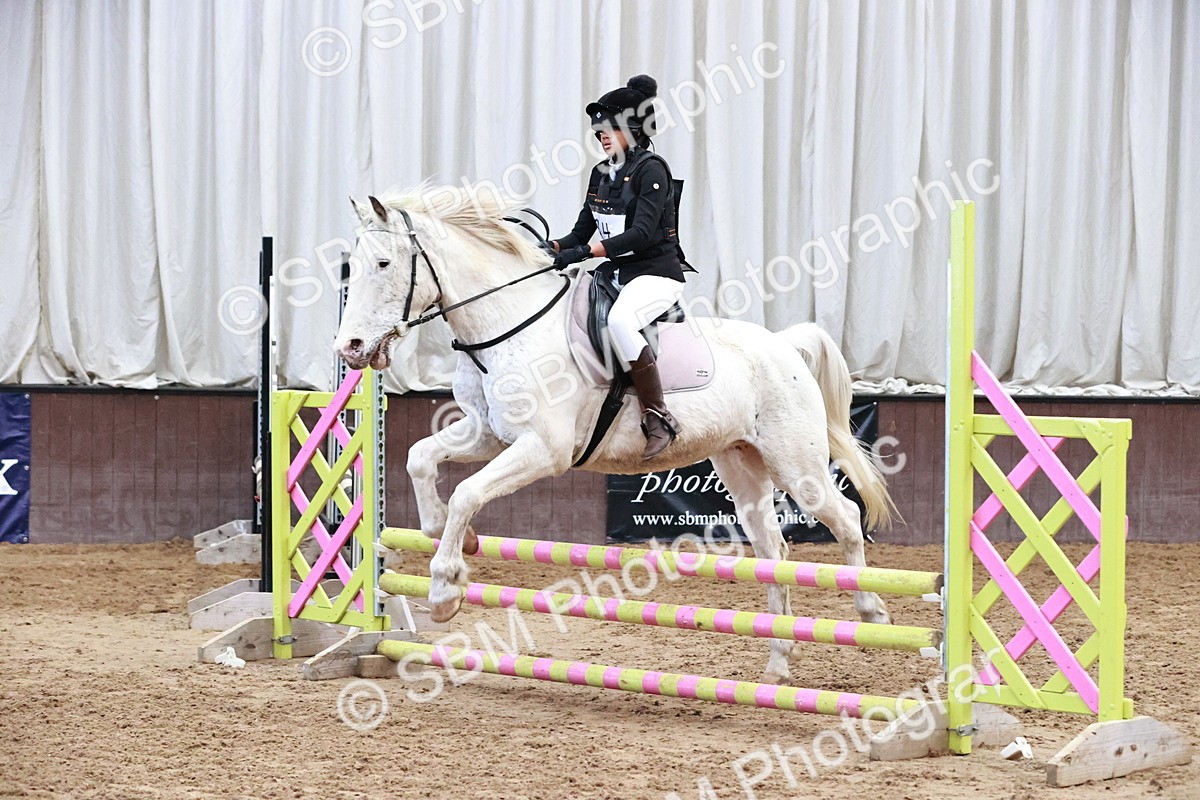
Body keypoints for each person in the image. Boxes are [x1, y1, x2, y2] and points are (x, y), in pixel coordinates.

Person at [549, 74, 689, 460]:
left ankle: (658, 417)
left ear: (633, 128)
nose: (602, 137)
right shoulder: (600, 173)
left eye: (609, 129)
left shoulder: (651, 170)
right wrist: (554, 247)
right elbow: (582, 230)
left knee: (622, 323)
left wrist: (588, 252)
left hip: (656, 273)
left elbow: (643, 234)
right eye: (598, 133)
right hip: (618, 274)